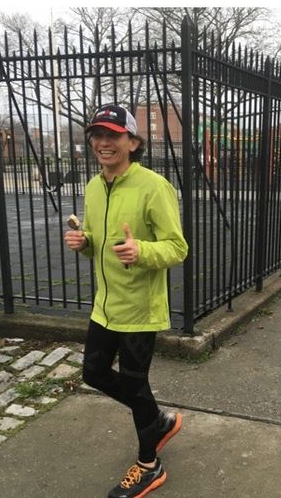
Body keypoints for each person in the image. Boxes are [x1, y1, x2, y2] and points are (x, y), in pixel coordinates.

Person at [64, 104, 188, 498]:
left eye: (113, 136)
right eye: (97, 135)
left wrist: (143, 252)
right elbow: (99, 246)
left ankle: (150, 464)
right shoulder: (93, 187)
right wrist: (84, 243)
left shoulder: (154, 186)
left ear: (133, 142)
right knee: (93, 373)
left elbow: (177, 247)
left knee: (136, 386)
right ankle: (159, 420)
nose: (103, 143)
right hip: (105, 305)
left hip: (139, 309)